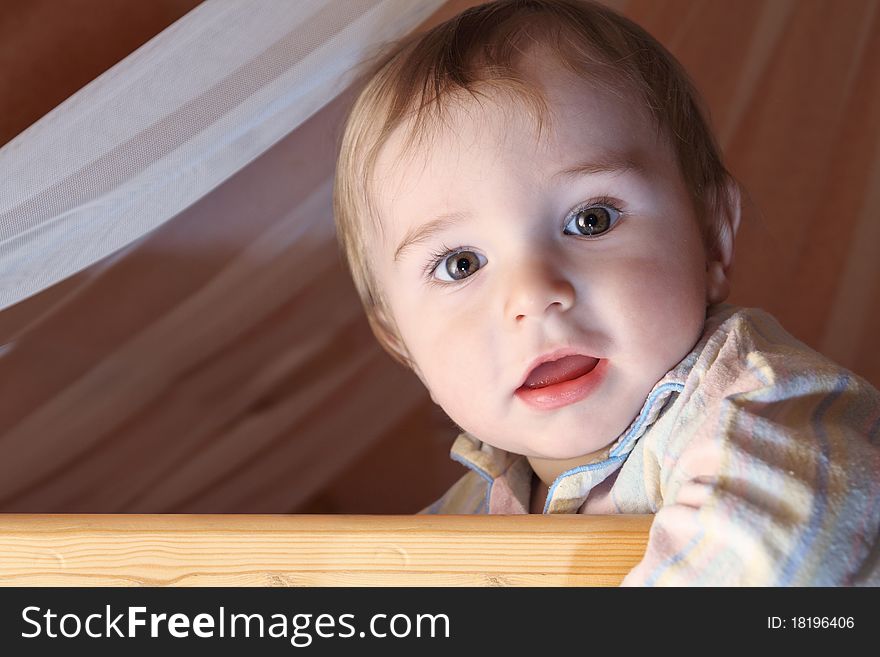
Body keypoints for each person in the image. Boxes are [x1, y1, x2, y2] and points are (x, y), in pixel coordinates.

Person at [332, 0, 880, 585]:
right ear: (401, 341)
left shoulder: (756, 406)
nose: (535, 295)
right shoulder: (462, 519)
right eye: (461, 264)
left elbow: (773, 563)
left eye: (590, 220)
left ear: (711, 239)